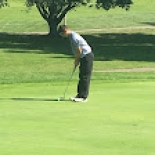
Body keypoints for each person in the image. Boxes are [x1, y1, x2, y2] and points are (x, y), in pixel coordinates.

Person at [58, 25, 94, 102]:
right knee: (82, 76)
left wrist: (77, 60)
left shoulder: (74, 37)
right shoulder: (72, 36)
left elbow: (79, 50)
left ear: (65, 32)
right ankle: (80, 94)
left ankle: (83, 97)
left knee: (85, 76)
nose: (63, 36)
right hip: (84, 56)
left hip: (87, 56)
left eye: (62, 34)